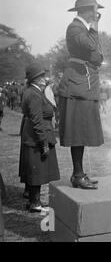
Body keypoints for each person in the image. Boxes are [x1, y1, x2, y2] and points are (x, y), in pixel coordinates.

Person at [58, 0, 105, 190]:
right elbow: (90, 46)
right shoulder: (75, 27)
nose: (98, 13)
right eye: (95, 10)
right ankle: (77, 175)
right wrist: (93, 26)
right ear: (88, 10)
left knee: (83, 131)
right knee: (78, 132)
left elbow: (96, 53)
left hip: (84, 84)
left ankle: (79, 173)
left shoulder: (84, 28)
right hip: (77, 85)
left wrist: (93, 28)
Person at [19, 63, 60, 212]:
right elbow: (37, 121)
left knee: (35, 170)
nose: (44, 78)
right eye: (41, 76)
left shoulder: (32, 91)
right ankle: (35, 204)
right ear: (35, 79)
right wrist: (43, 143)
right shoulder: (34, 94)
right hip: (36, 139)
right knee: (37, 171)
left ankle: (33, 201)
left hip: (33, 137)